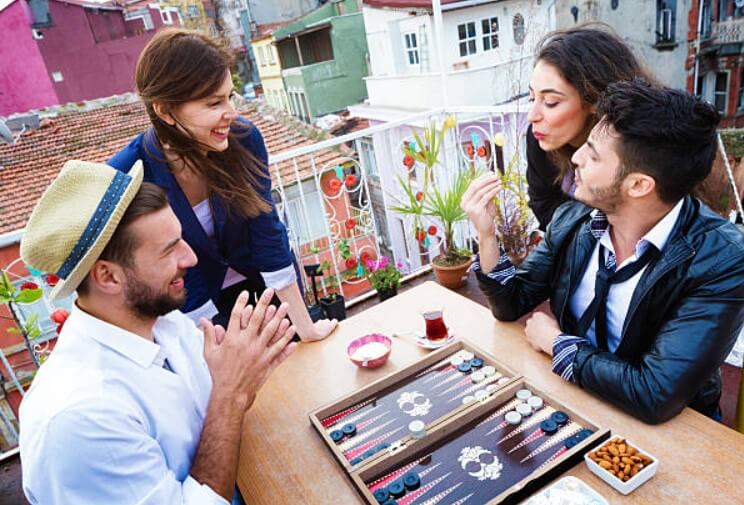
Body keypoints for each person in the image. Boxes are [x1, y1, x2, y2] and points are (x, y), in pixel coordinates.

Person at [462, 79, 744, 424]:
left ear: (639, 184)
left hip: (674, 435)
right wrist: (486, 233)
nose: (576, 157)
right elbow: (510, 303)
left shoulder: (722, 258)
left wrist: (557, 343)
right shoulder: (576, 219)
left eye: (592, 154)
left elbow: (655, 393)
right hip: (577, 402)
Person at [19, 160, 296, 504]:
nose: (191, 258)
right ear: (108, 277)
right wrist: (230, 396)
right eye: (169, 250)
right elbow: (224, 406)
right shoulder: (80, 417)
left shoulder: (162, 322)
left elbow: (219, 412)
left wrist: (241, 375)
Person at [108, 28, 336, 340]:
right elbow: (170, 267)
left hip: (263, 282)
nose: (231, 113)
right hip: (195, 305)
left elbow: (266, 230)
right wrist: (216, 350)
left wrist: (305, 328)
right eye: (214, 103)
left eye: (230, 96)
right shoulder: (130, 174)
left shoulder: (243, 138)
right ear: (164, 110)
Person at [526, 25, 651, 230]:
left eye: (550, 101)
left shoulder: (637, 151)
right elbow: (543, 203)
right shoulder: (540, 137)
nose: (532, 116)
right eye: (532, 97)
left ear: (595, 101)